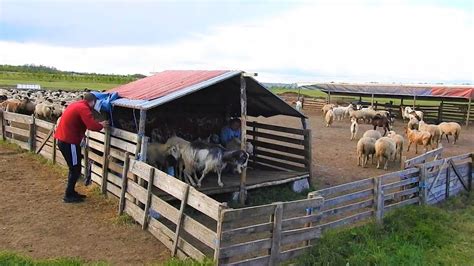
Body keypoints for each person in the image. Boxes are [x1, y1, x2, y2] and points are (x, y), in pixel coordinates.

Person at [54, 93, 109, 203]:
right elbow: (92, 126)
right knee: (75, 168)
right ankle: (68, 195)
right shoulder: (83, 108)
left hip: (65, 139)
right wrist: (102, 124)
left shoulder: (77, 105)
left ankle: (71, 192)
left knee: (74, 167)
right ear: (93, 101)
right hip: (69, 142)